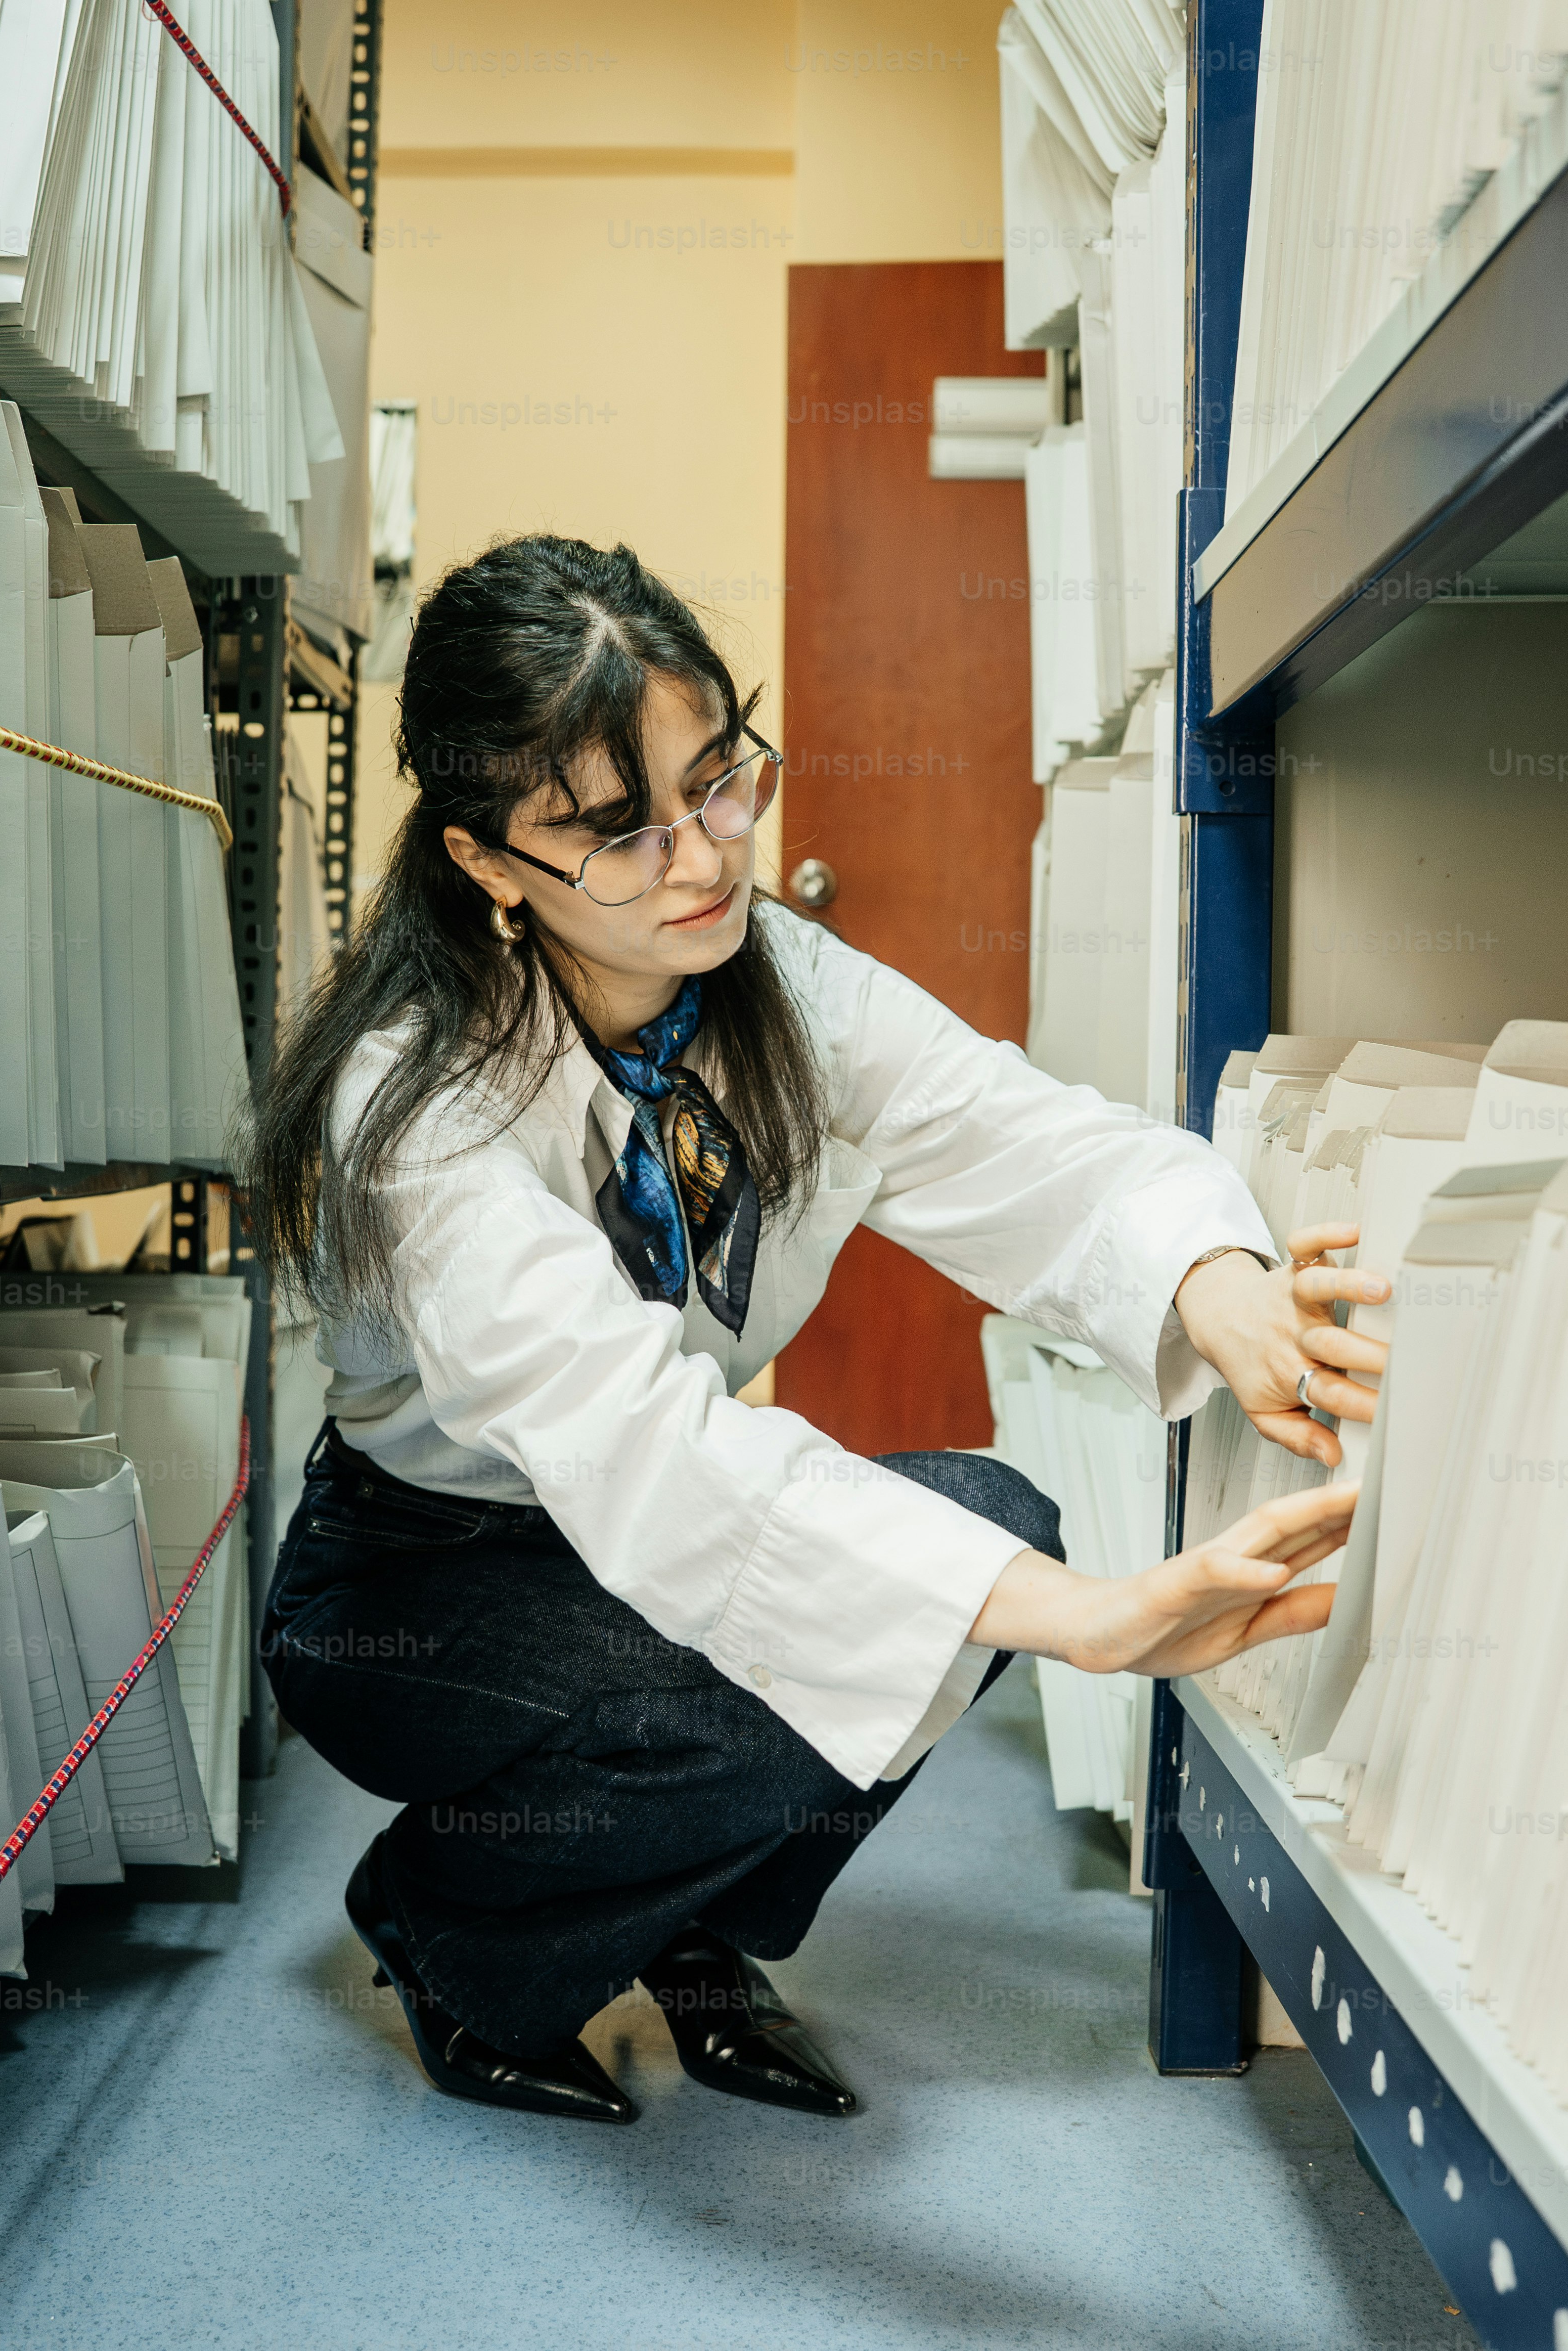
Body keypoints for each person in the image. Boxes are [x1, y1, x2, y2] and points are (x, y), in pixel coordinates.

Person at [252, 535, 1385, 2126]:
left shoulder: (774, 976)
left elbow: (1027, 1143)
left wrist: (1220, 1279)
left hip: (627, 1524)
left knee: (994, 1528)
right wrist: (1093, 1623)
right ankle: (455, 1929)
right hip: (419, 1574)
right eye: (618, 831)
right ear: (488, 862)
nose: (705, 854)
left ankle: (686, 1929)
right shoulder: (420, 1097)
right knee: (791, 1670)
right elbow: (649, 1455)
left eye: (719, 779)